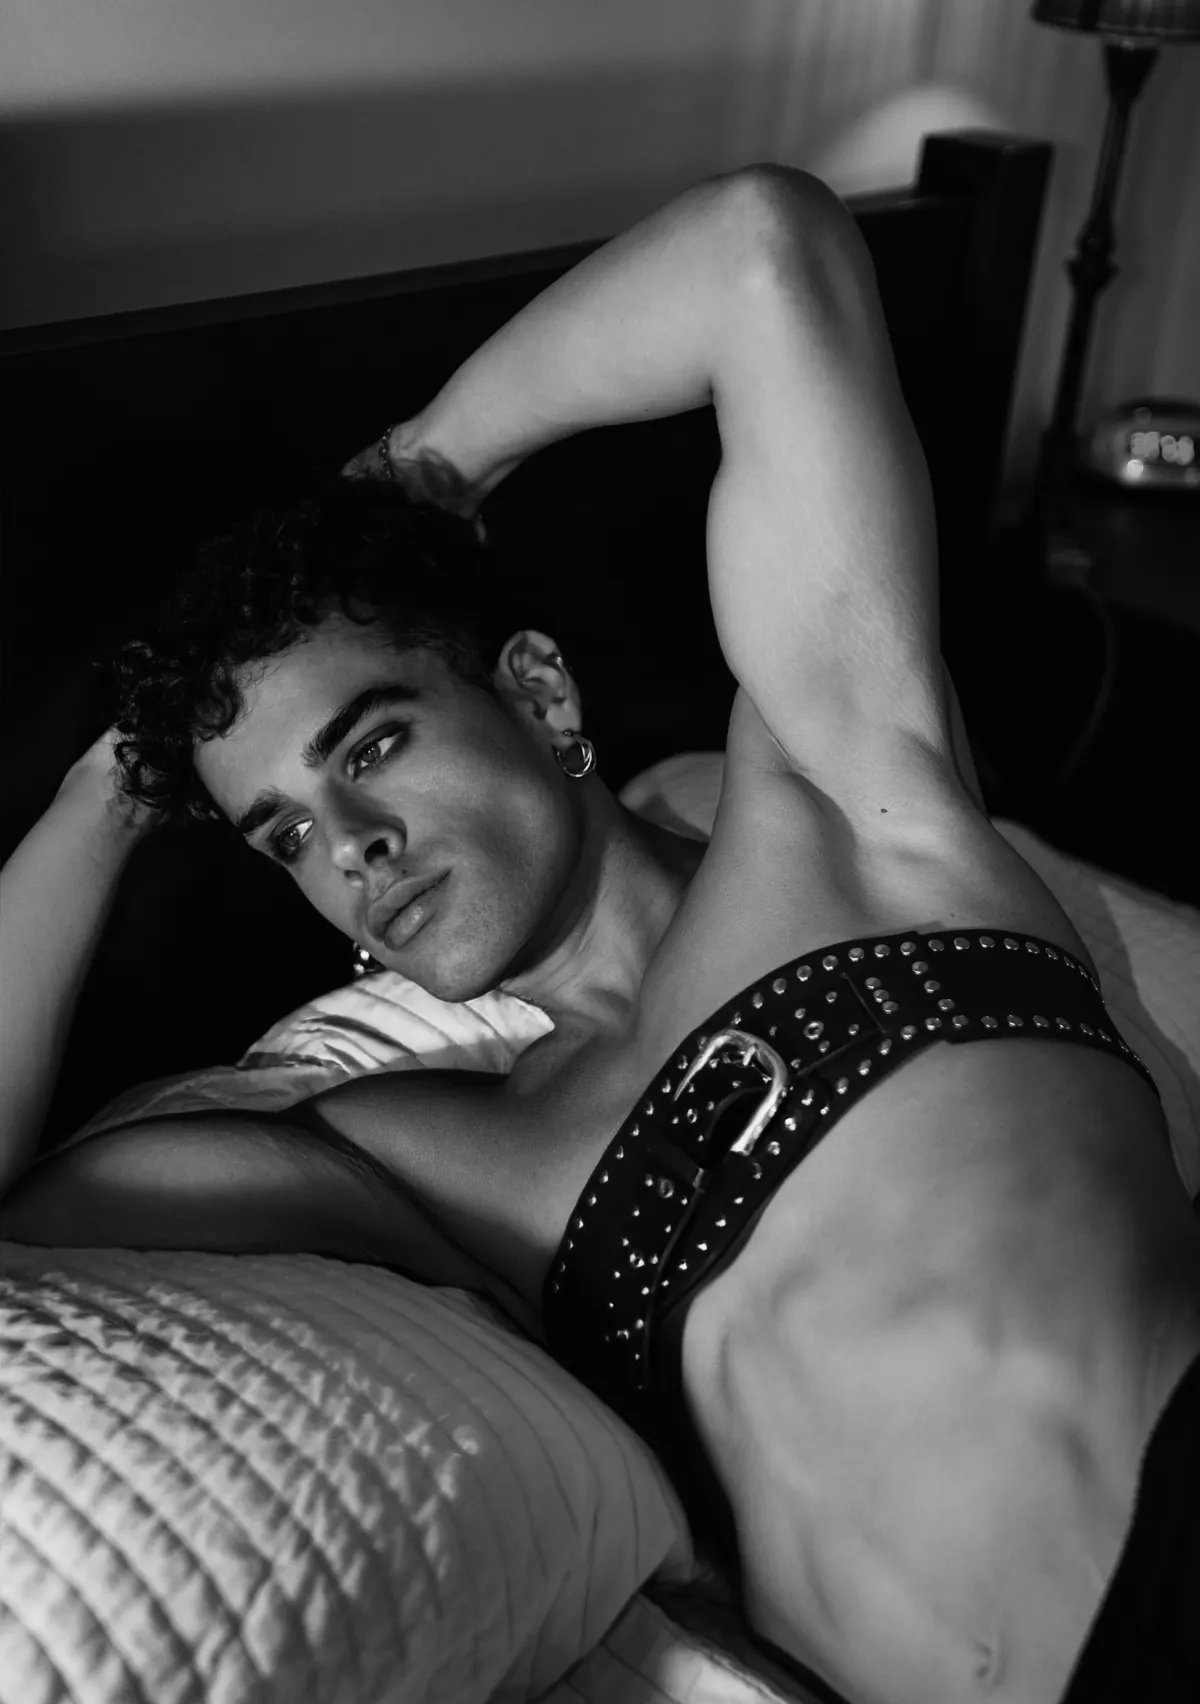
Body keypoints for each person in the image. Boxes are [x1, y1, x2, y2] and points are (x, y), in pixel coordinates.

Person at [2, 164, 1198, 1704]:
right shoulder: (430, 1158)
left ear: (540, 692)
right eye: (283, 835)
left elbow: (763, 251)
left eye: (373, 746)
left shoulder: (846, 809)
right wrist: (113, 788)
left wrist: (426, 469)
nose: (349, 845)